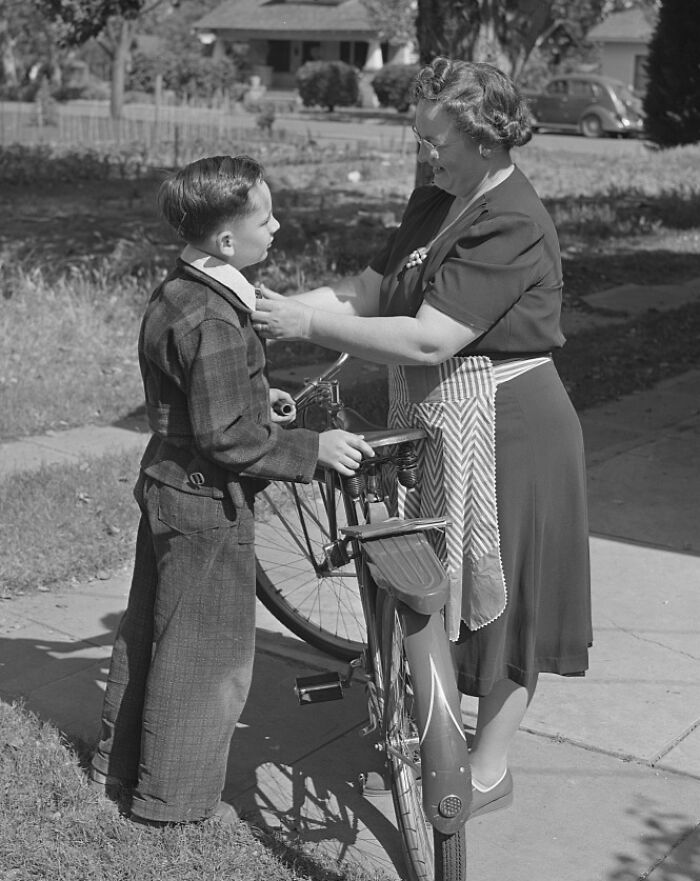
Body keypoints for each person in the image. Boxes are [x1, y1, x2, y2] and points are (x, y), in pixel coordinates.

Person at [251, 58, 592, 819]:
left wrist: (307, 324)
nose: (423, 151)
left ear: (484, 140)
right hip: (440, 422)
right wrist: (267, 307)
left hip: (510, 428)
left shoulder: (511, 219)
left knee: (502, 601)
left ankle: (487, 768)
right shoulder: (436, 197)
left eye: (435, 140)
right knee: (433, 586)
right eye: (419, 136)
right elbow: (372, 293)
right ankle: (434, 734)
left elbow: (432, 338)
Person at [90, 155, 374, 826]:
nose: (276, 227)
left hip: (169, 483)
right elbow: (225, 439)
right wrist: (312, 448)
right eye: (264, 218)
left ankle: (118, 766)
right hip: (205, 501)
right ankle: (175, 801)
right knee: (205, 653)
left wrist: (254, 397)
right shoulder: (216, 318)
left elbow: (196, 396)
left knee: (149, 632)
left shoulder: (180, 290)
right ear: (225, 240)